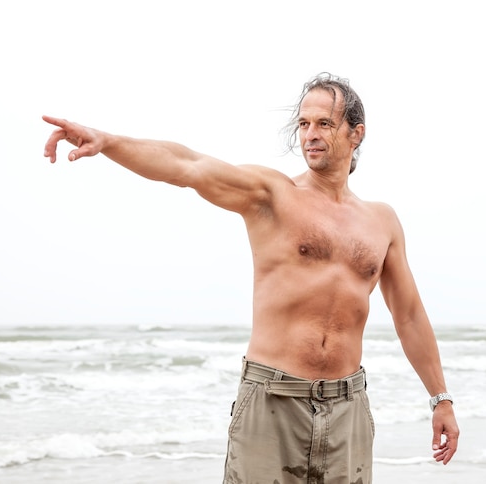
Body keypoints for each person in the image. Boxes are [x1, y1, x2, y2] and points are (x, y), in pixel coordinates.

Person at [43, 73, 459, 483]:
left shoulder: (381, 222)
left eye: (324, 123)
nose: (310, 134)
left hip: (347, 407)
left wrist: (440, 399)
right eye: (303, 124)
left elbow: (408, 315)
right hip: (272, 403)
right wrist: (109, 142)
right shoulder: (273, 196)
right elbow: (187, 165)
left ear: (356, 133)